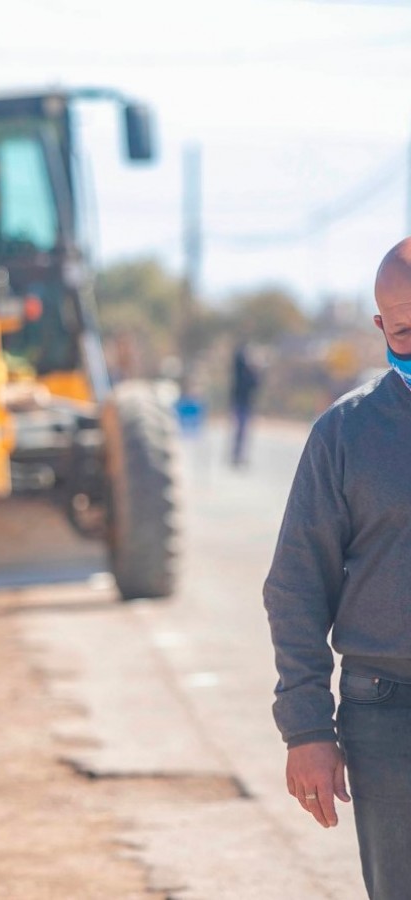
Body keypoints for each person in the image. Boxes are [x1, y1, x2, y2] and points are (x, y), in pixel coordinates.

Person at [263, 237, 411, 900]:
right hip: (388, 715)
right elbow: (295, 587)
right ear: (381, 328)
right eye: (405, 332)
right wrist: (306, 730)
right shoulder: (345, 434)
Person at [229, 340, 262, 468]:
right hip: (240, 403)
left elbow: (256, 385)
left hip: (245, 404)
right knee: (240, 431)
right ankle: (237, 455)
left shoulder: (248, 373)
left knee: (242, 431)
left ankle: (239, 455)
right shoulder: (241, 371)